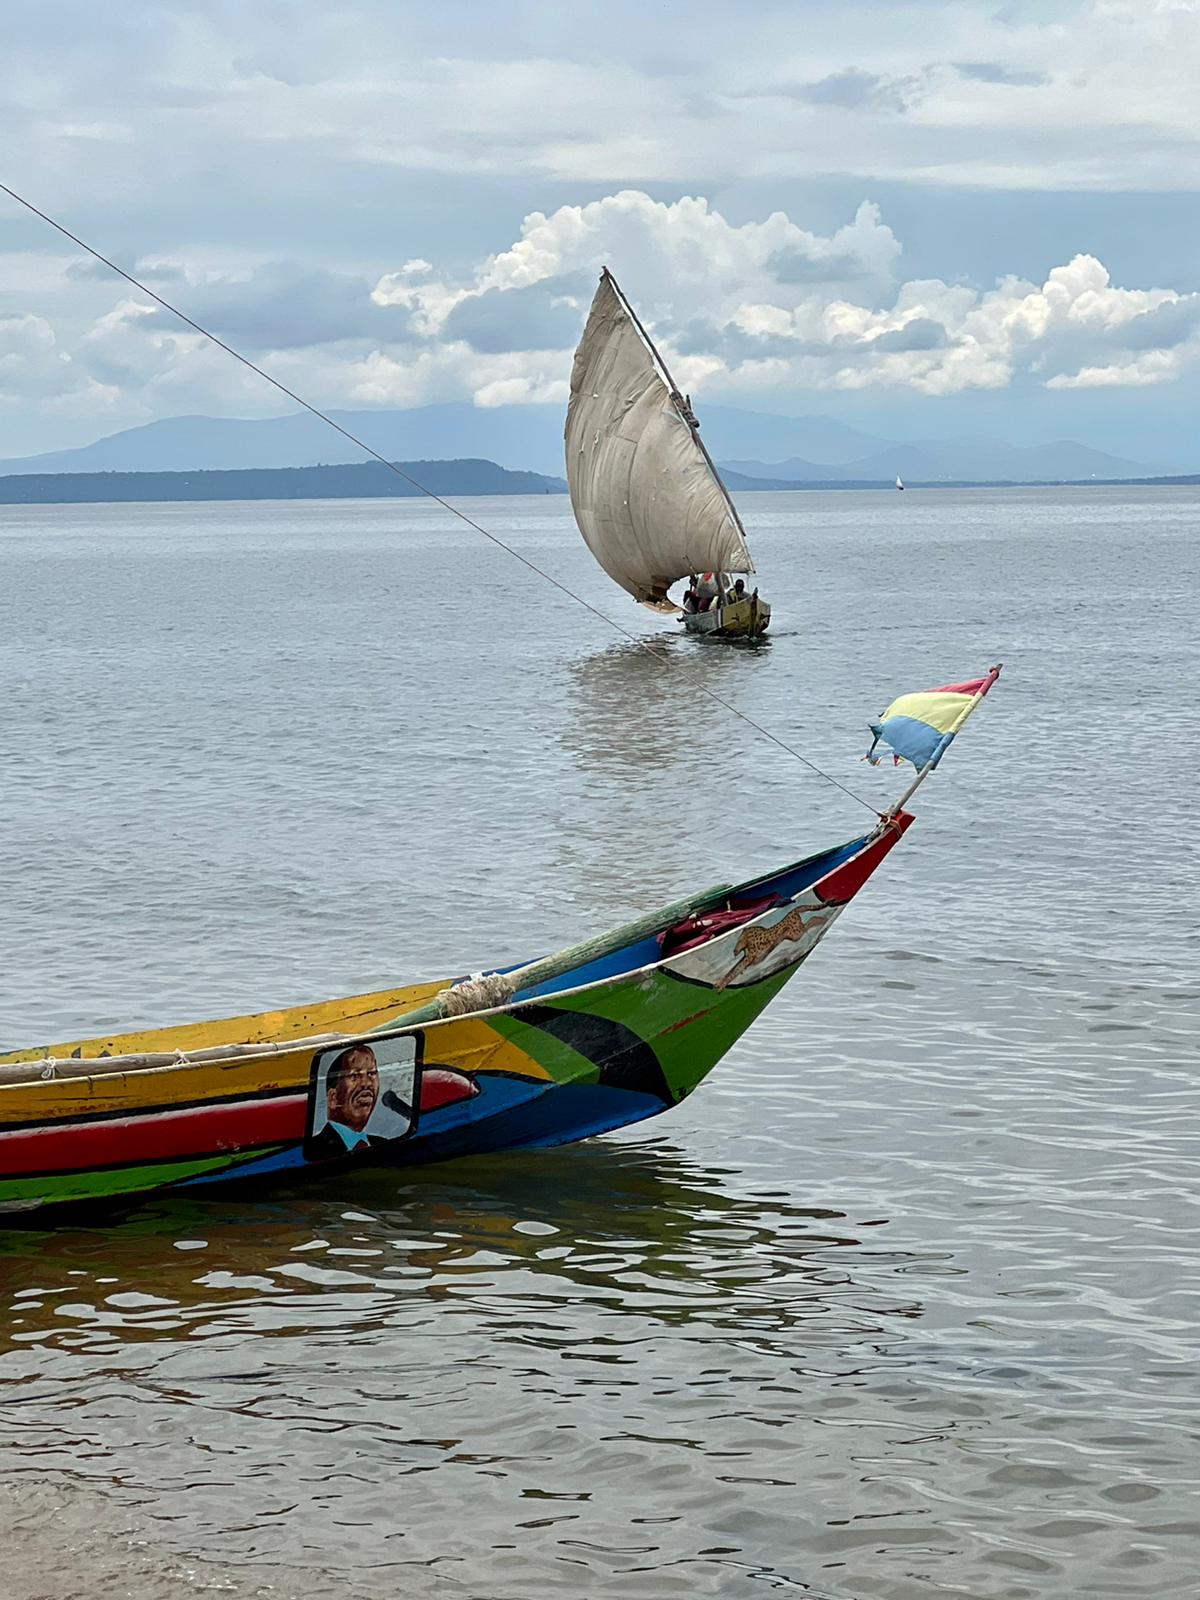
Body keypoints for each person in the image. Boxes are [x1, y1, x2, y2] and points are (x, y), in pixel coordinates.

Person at [309, 1043, 381, 1157]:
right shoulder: (315, 1151)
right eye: (355, 1076)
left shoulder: (384, 1145)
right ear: (333, 1097)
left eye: (371, 1073)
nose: (366, 1083)